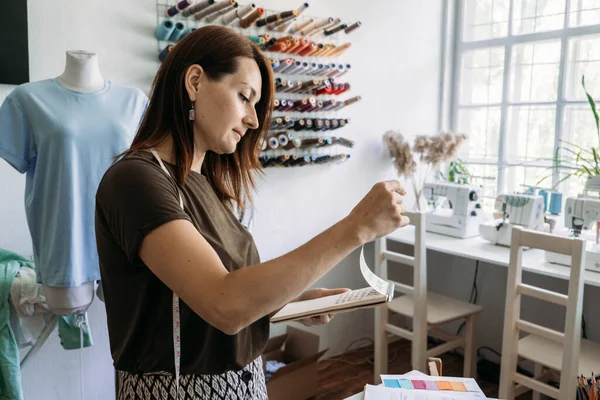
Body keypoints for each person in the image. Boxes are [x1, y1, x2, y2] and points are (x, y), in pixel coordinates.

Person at [95, 25, 409, 400]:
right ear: (194, 81)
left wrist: (289, 303)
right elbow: (224, 303)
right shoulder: (136, 180)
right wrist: (355, 228)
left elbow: (215, 305)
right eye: (245, 97)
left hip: (243, 386)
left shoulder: (206, 184)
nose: (254, 120)